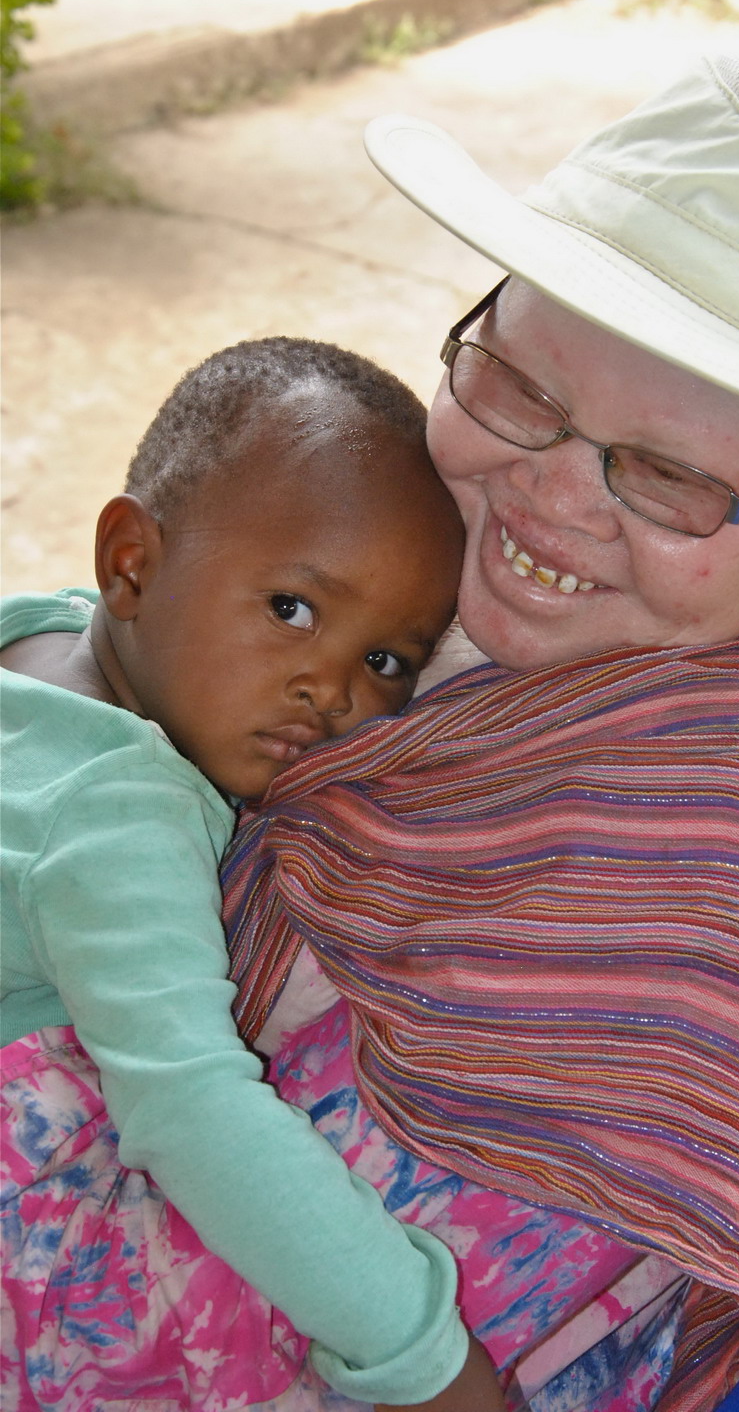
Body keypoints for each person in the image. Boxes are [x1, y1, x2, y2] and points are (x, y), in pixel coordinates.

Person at [6, 55, 739, 1412]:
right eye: (517, 388)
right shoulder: (389, 553)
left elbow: (278, 1314)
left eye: (670, 472)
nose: (544, 503)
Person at [0, 339, 507, 1411]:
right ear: (131, 563)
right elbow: (194, 1112)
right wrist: (426, 1355)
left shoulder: (36, 641)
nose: (328, 690)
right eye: (292, 608)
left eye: (386, 663)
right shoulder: (119, 809)